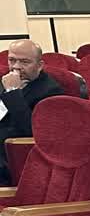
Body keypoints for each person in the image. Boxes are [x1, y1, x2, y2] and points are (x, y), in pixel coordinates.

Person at [0, 40, 63, 182]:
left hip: (13, 159)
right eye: (12, 60)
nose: (16, 67)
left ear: (39, 65)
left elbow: (31, 131)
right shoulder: (5, 80)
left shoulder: (51, 91)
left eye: (24, 62)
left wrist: (13, 92)